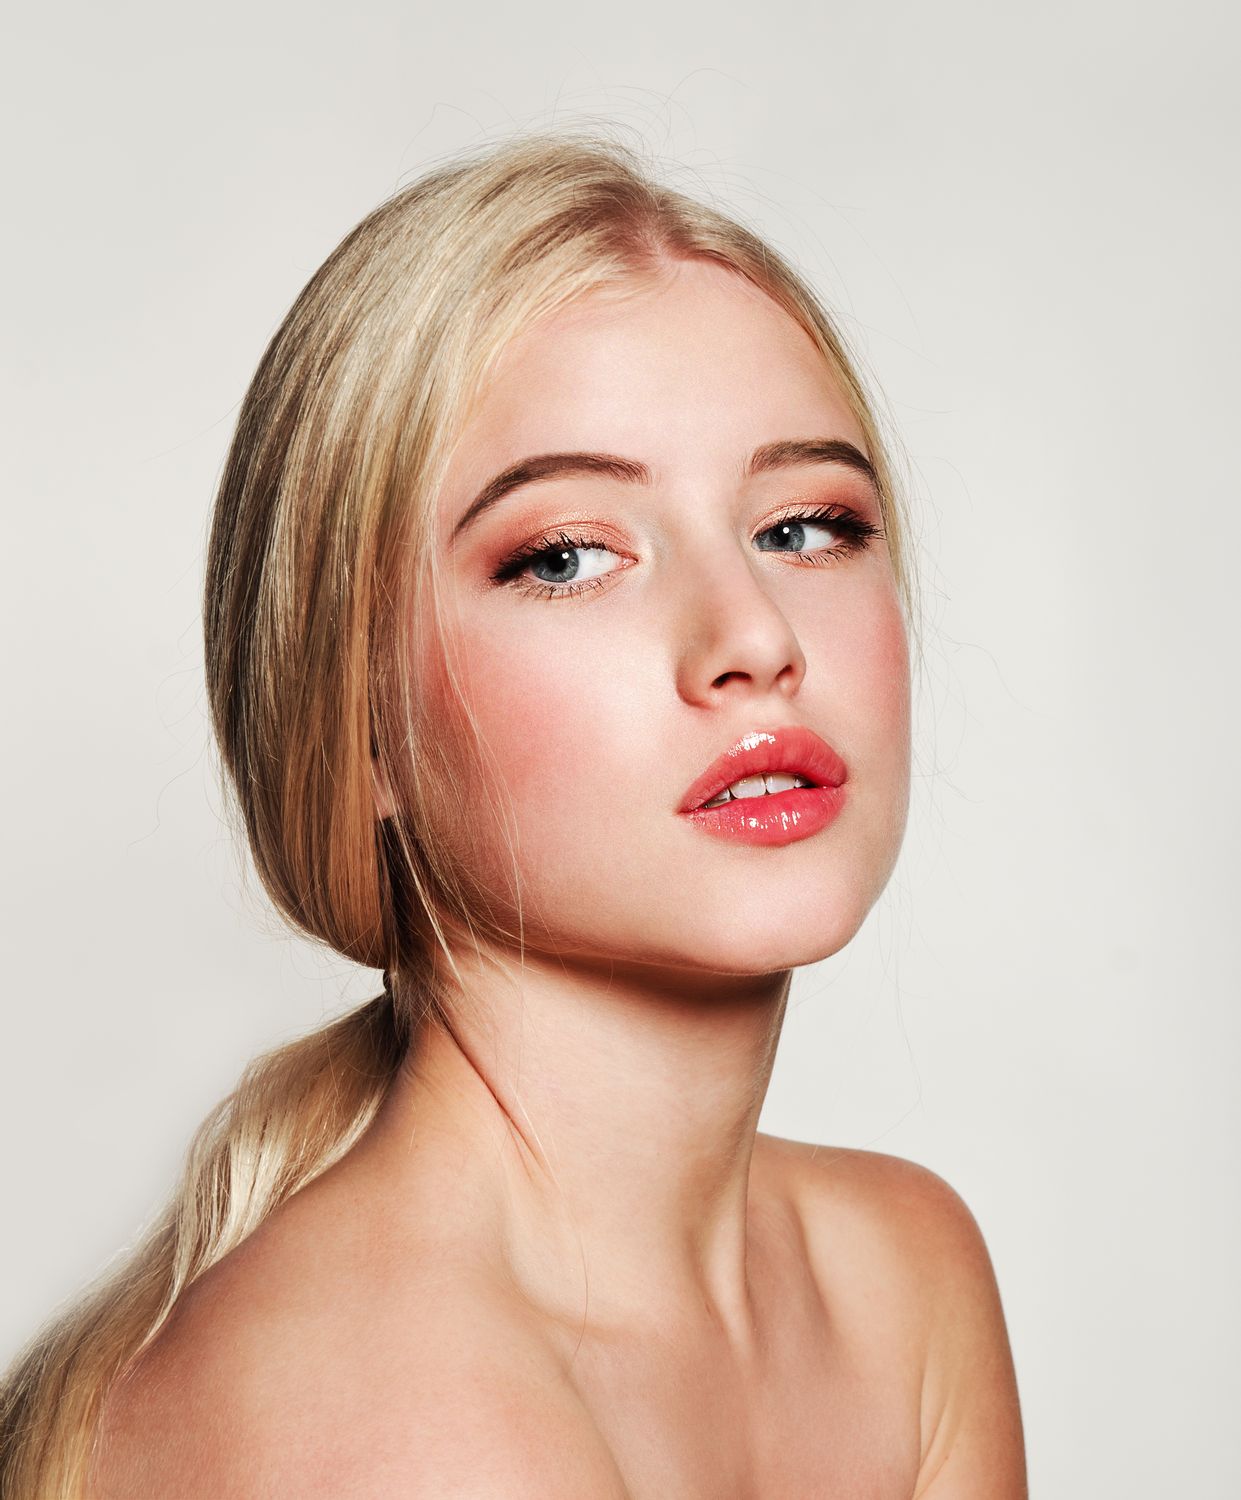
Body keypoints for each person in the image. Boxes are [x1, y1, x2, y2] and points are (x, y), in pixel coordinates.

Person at [0, 130, 1026, 1498]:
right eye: (565, 557)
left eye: (805, 526)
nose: (753, 637)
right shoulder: (385, 1421)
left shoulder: (899, 1276)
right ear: (356, 726)